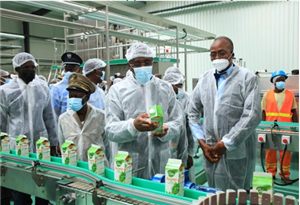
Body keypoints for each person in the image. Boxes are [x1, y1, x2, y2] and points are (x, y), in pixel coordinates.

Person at [188, 36, 261, 191]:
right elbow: (192, 111)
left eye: (222, 53)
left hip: (237, 151)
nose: (217, 57)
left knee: (238, 194)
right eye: (213, 54)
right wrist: (201, 141)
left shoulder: (247, 78)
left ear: (232, 54)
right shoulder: (205, 79)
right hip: (210, 149)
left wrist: (227, 142)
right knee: (215, 193)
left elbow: (252, 115)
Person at [105, 42, 183, 179]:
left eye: (147, 62)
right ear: (129, 65)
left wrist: (166, 129)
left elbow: (177, 121)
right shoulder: (117, 90)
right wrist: (133, 126)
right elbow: (111, 130)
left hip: (160, 161)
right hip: (129, 164)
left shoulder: (165, 88)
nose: (143, 67)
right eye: (137, 63)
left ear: (153, 62)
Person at [0, 52, 58, 205]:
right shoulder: (6, 91)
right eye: (27, 67)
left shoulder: (42, 87)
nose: (31, 70)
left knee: (42, 185)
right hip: (16, 146)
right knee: (21, 186)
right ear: (17, 68)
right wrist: (3, 147)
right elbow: (2, 122)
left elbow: (49, 117)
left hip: (41, 143)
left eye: (33, 67)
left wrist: (53, 142)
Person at [58, 73, 109, 164]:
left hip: (97, 169)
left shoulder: (100, 116)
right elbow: (63, 145)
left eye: (77, 96)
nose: (73, 99)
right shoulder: (63, 119)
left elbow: (107, 145)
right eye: (71, 96)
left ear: (87, 97)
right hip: (74, 169)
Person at [262, 70, 298, 183]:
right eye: (279, 80)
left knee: (286, 153)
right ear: (274, 82)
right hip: (270, 128)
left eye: (283, 80)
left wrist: (296, 126)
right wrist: (263, 127)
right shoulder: (267, 95)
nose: (281, 82)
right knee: (270, 152)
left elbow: (294, 111)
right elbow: (263, 112)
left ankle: (284, 175)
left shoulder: (290, 94)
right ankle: (270, 174)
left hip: (286, 128)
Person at [163, 68, 197, 182]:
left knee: (183, 180)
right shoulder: (161, 99)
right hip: (164, 149)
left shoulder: (187, 99)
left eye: (180, 86)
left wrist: (190, 153)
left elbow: (191, 128)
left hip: (182, 148)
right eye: (176, 86)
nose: (178, 90)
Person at [51, 52, 82, 117]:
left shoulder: (83, 86)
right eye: (67, 69)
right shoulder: (57, 88)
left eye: (73, 69)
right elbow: (54, 111)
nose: (69, 72)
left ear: (79, 70)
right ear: (64, 70)